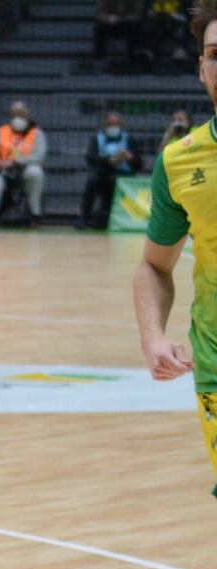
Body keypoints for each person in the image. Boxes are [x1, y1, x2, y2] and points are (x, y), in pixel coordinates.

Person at [136, 0, 217, 496]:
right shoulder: (179, 162)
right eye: (215, 53)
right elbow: (153, 266)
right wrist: (153, 337)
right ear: (202, 68)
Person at [0, 100, 46, 226]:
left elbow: (38, 157)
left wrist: (14, 162)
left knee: (35, 173)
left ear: (28, 116)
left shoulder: (37, 134)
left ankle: (34, 215)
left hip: (25, 171)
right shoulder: (2, 131)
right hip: (4, 172)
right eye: (14, 115)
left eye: (20, 115)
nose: (17, 119)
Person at [77, 109, 141, 229]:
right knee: (92, 180)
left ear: (121, 126)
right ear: (105, 126)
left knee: (114, 181)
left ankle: (115, 218)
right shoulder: (96, 139)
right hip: (102, 171)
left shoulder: (129, 139)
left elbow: (139, 162)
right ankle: (83, 218)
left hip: (122, 173)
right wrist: (108, 160)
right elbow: (91, 158)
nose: (113, 127)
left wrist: (130, 157)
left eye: (116, 125)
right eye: (110, 125)